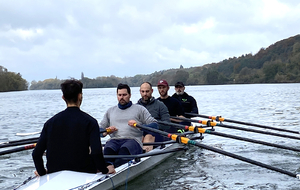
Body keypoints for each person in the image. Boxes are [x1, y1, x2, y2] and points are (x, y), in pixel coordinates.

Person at [32, 79, 115, 176]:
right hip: (84, 173)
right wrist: (104, 170)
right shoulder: (90, 122)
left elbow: (36, 154)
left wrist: (43, 173)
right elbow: (96, 152)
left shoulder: (50, 123)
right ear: (80, 96)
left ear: (63, 98)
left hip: (54, 173)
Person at [100, 83, 158, 168]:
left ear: (130, 95)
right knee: (108, 151)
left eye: (124, 95)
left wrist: (139, 126)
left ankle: (115, 169)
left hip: (133, 141)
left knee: (123, 151)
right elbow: (99, 130)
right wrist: (105, 132)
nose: (122, 97)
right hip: (114, 140)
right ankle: (109, 168)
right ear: (117, 95)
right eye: (119, 95)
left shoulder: (140, 109)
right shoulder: (110, 111)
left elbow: (155, 125)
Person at [137, 82, 170, 149]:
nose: (145, 94)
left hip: (157, 133)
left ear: (152, 91)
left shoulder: (160, 105)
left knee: (148, 137)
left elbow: (167, 124)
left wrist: (152, 125)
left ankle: (145, 155)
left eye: (147, 91)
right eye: (143, 91)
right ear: (140, 92)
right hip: (140, 134)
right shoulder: (136, 107)